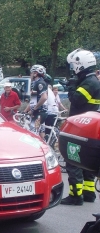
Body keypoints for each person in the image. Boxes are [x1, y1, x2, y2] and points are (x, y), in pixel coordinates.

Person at [61, 49, 100, 205]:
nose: (72, 68)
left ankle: (75, 195)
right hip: (89, 127)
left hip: (79, 127)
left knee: (74, 160)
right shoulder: (93, 81)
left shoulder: (88, 83)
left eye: (74, 65)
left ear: (80, 64)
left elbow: (76, 100)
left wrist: (71, 87)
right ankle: (89, 193)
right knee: (86, 162)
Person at [23, 64, 48, 139]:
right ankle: (46, 148)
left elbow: (44, 97)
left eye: (31, 73)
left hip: (39, 113)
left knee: (32, 135)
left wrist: (34, 109)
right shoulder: (36, 83)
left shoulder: (40, 83)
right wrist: (25, 111)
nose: (30, 75)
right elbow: (33, 101)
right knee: (41, 133)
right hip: (39, 112)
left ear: (35, 73)